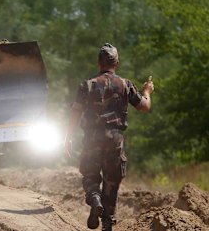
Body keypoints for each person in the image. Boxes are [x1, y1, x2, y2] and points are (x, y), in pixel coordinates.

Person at [64, 43, 154, 231]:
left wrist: (68, 136)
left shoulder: (87, 84)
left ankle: (95, 198)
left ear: (98, 63)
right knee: (112, 181)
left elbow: (75, 112)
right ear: (117, 63)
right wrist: (147, 91)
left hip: (91, 137)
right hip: (114, 138)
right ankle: (108, 223)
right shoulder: (125, 84)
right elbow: (144, 107)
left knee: (89, 174)